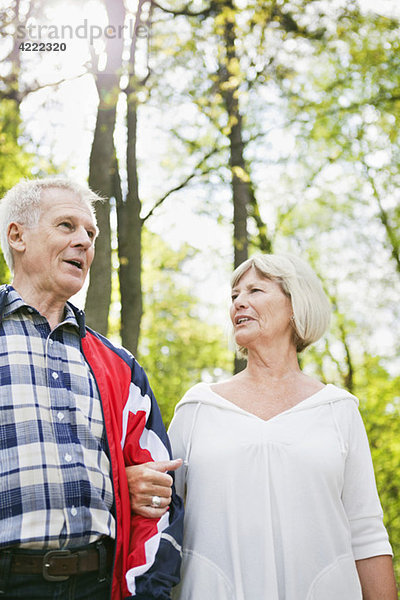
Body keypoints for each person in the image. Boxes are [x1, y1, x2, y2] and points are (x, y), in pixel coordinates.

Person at [165, 253, 397, 599]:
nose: (239, 302)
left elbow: (366, 533)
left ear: (295, 306)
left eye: (255, 290)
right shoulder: (198, 408)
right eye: (234, 296)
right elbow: (160, 519)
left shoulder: (338, 409)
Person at [0, 177, 184, 600]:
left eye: (91, 232)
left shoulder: (120, 366)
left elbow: (161, 494)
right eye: (67, 225)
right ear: (18, 236)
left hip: (100, 584)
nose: (84, 240)